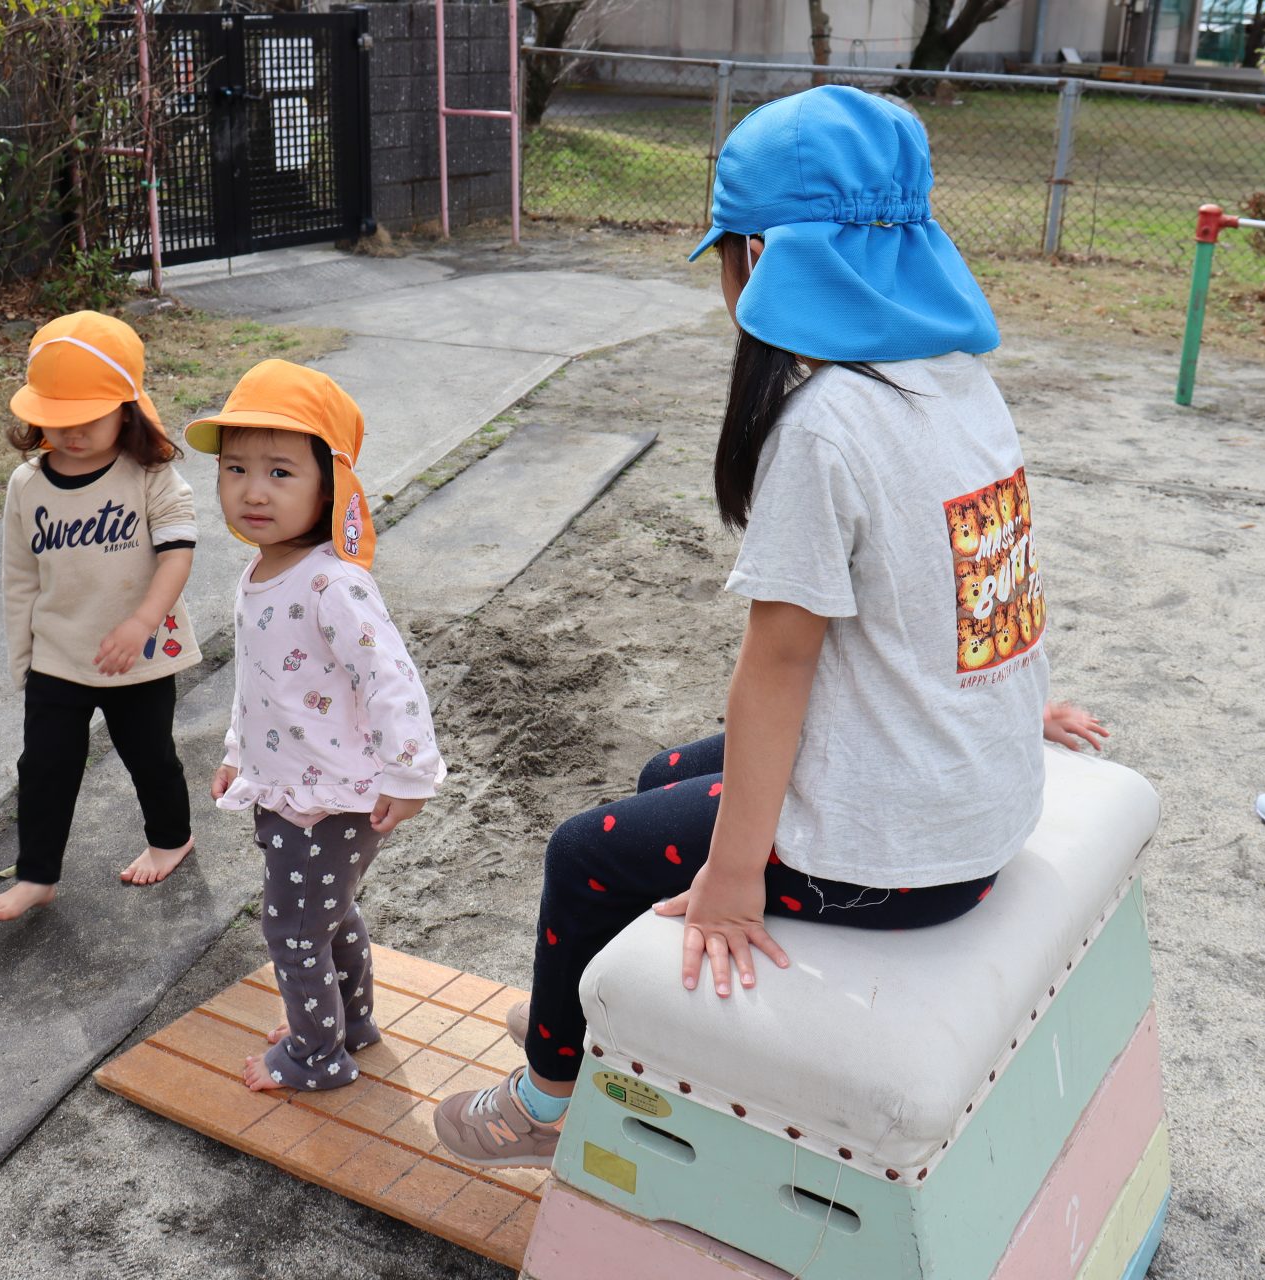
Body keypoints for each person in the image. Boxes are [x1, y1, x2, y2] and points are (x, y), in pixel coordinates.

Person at [434, 85, 1106, 1167]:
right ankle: (598, 1015)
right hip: (971, 806)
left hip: (894, 859)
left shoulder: (827, 425)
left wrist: (737, 875)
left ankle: (547, 1100)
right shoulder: (959, 382)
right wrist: (1007, 707)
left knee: (584, 853)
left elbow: (780, 667)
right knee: (663, 774)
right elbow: (985, 587)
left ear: (758, 256)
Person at [185, 360, 445, 1093]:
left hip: (332, 798)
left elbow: (390, 678)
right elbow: (262, 682)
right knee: (327, 917)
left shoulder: (334, 583)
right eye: (235, 469)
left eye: (280, 472)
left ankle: (314, 1056)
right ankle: (347, 1024)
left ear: (330, 487)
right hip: (289, 784)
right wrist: (239, 753)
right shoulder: (262, 572)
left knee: (293, 931)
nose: (253, 491)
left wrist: (410, 774)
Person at [0, 311, 202, 921]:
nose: (73, 432)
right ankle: (37, 874)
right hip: (59, 653)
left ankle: (171, 839)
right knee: (44, 766)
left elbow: (178, 556)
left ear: (127, 410)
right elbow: (20, 577)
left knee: (149, 755)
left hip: (139, 653)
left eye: (89, 417)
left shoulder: (150, 475)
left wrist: (141, 623)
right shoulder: (27, 484)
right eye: (58, 418)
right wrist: (24, 657)